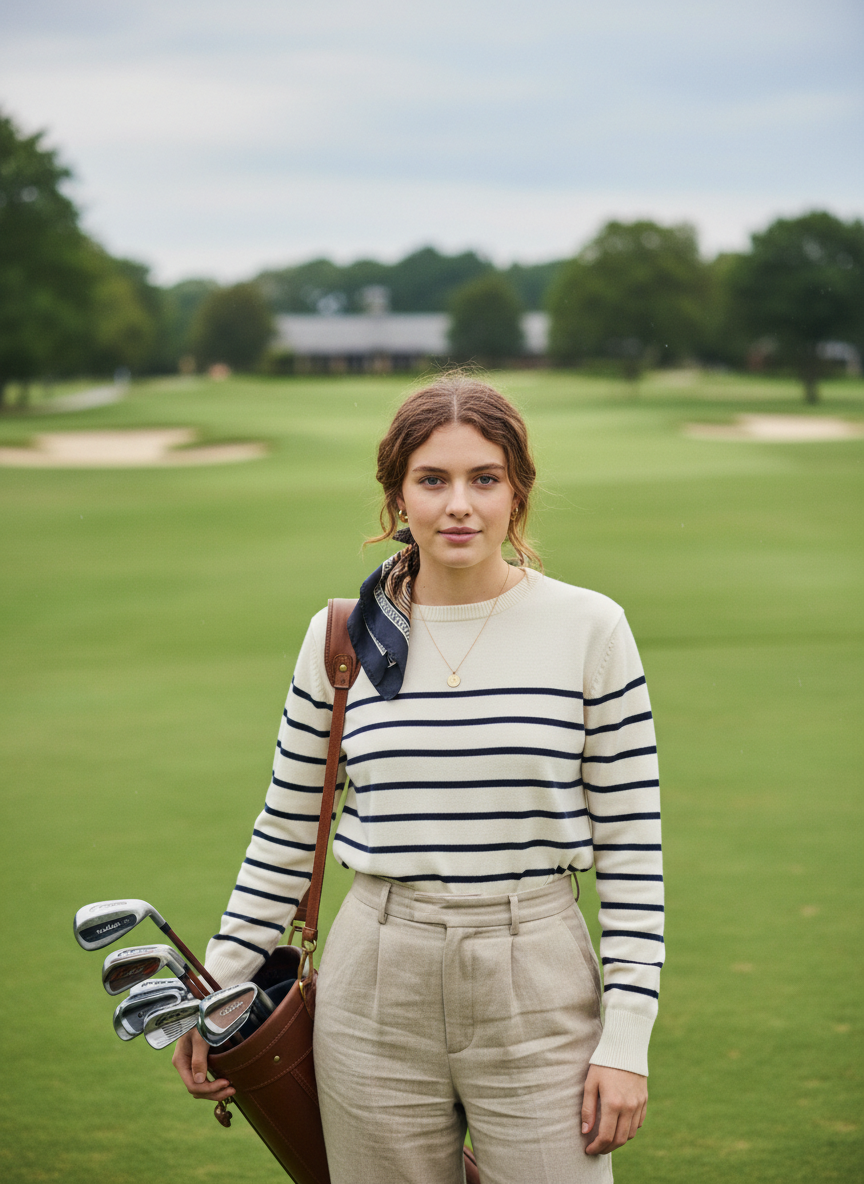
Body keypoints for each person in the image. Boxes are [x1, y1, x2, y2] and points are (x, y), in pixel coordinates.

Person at [173, 374, 664, 1184]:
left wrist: (627, 1039)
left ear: (518, 491)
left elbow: (632, 845)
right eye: (432, 480)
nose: (458, 505)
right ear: (397, 494)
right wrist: (218, 986)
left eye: (484, 479)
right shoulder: (340, 638)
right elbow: (288, 829)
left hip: (538, 972)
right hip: (374, 978)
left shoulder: (592, 629)